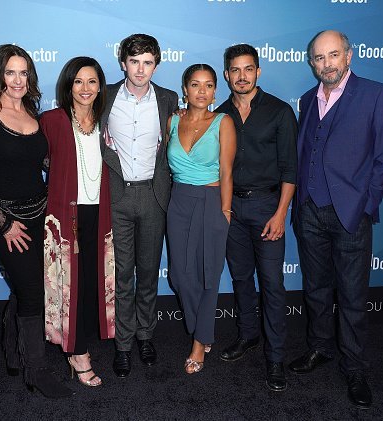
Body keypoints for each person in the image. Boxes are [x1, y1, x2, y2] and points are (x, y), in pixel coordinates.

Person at [289, 30, 383, 409]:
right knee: (316, 288)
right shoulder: (307, 100)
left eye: (333, 55)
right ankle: (320, 348)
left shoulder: (375, 93)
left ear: (348, 56)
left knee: (352, 296)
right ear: (312, 63)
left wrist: (367, 204)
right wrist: (301, 203)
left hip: (351, 213)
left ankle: (354, 367)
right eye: (319, 58)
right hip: (309, 211)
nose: (326, 64)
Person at [0, 44, 71, 398]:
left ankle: (13, 351)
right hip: (7, 220)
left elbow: (37, 162)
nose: (18, 80)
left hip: (40, 214)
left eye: (24, 72)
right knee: (31, 291)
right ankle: (36, 371)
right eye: (11, 72)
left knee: (31, 287)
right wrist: (4, 223)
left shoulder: (33, 112)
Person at [216, 44, 297, 392]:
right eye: (235, 70)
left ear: (258, 72)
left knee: (273, 285)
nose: (242, 76)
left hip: (268, 208)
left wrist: (281, 213)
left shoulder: (280, 111)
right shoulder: (219, 115)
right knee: (241, 279)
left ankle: (275, 356)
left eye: (248, 69)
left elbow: (291, 169)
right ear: (226, 75)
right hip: (232, 208)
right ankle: (248, 336)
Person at [99, 34, 179, 378]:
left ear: (156, 65)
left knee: (148, 273)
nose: (141, 69)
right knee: (122, 276)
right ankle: (123, 343)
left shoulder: (169, 99)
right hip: (116, 196)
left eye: (148, 62)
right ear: (123, 64)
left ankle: (146, 336)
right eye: (134, 62)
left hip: (154, 195)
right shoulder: (103, 97)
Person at [40, 57, 114, 388]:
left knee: (90, 285)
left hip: (101, 214)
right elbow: (35, 159)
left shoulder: (109, 122)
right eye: (78, 82)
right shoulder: (52, 121)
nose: (85, 89)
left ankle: (82, 340)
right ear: (68, 86)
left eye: (92, 81)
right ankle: (77, 353)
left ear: (101, 86)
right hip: (65, 216)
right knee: (69, 286)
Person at [166, 64, 236, 374]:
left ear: (215, 91)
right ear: (185, 89)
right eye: (195, 85)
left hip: (211, 201)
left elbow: (227, 171)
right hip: (179, 200)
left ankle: (200, 342)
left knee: (209, 274)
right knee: (180, 276)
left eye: (208, 85)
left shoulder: (223, 122)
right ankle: (202, 329)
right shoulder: (172, 121)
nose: (202, 91)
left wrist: (225, 210)